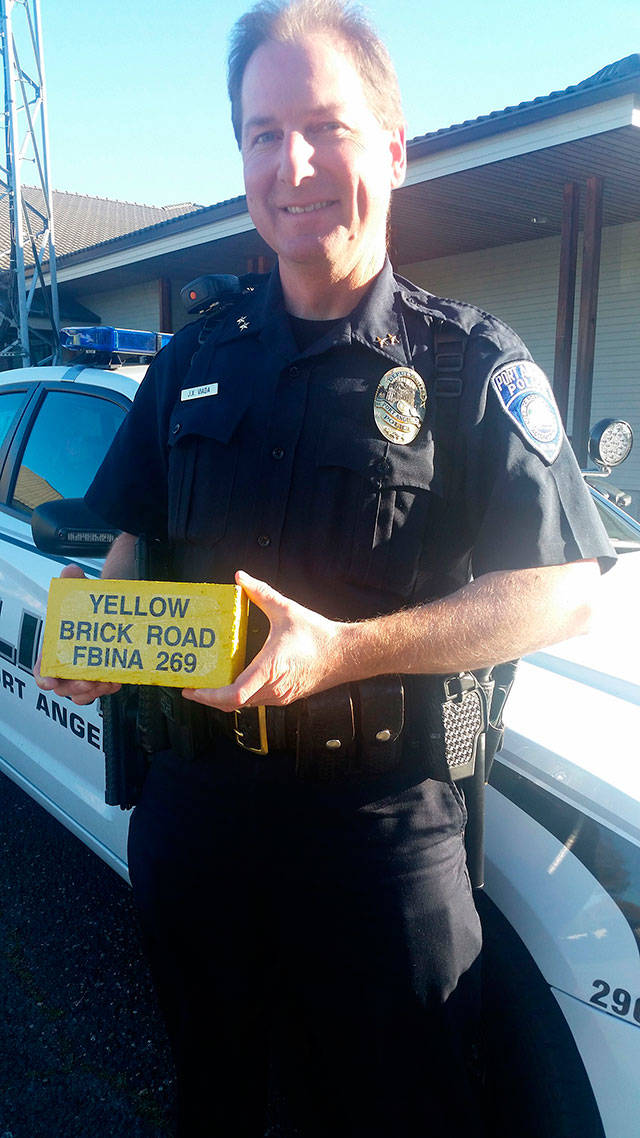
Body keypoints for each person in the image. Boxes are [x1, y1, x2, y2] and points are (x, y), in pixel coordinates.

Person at [37, 2, 615, 1135]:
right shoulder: (191, 357)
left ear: (392, 151)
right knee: (218, 1103)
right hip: (197, 819)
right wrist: (91, 635)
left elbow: (565, 586)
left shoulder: (464, 366)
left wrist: (348, 651)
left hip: (381, 842)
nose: (290, 163)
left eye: (324, 126)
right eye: (261, 132)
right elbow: (128, 540)